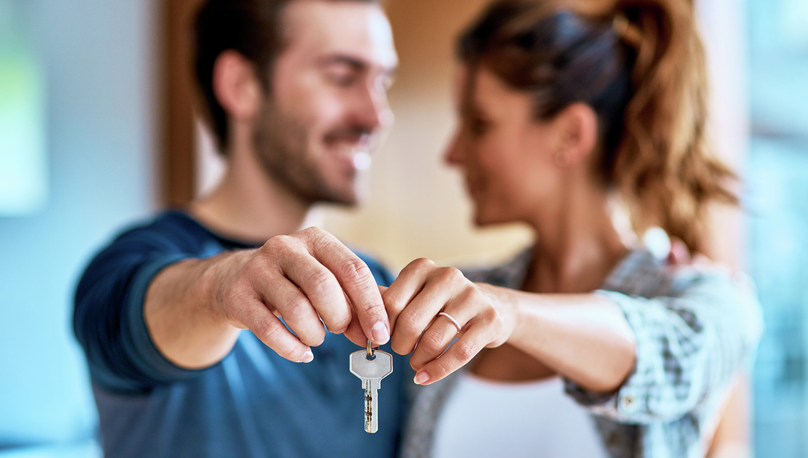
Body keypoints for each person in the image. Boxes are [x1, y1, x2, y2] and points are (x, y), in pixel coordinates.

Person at [378, 0, 764, 457]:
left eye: (479, 124)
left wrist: (513, 314)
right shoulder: (462, 302)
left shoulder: (704, 300)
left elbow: (666, 358)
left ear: (571, 135)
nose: (453, 154)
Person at [72, 0, 412, 457]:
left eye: (382, 82)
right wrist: (218, 288)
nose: (377, 116)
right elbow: (135, 315)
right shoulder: (135, 261)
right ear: (242, 85)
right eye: (343, 76)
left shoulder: (375, 280)